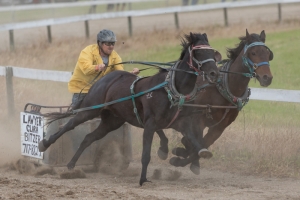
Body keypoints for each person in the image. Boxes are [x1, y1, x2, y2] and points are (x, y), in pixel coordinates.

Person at [68, 29, 139, 108]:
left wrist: (130, 74)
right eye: (108, 43)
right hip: (82, 90)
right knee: (79, 116)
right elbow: (86, 69)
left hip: (99, 91)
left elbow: (119, 73)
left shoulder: (115, 56)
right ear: (100, 43)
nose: (111, 46)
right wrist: (97, 67)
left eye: (113, 43)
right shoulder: (87, 52)